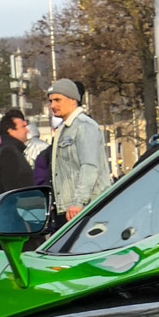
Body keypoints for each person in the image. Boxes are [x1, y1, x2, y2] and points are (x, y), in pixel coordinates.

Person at [48, 80, 109, 219]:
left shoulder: (84, 126)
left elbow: (89, 166)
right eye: (51, 101)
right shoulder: (66, 128)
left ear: (73, 100)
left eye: (57, 100)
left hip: (86, 207)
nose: (53, 105)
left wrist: (78, 202)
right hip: (71, 208)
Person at [0, 108, 34, 202]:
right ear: (10, 130)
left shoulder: (10, 150)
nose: (27, 130)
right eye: (23, 127)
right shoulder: (8, 152)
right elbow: (12, 189)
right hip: (17, 211)